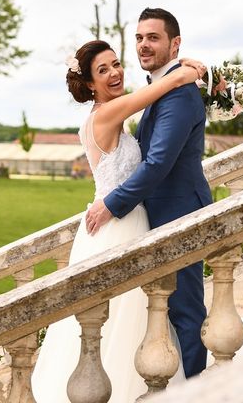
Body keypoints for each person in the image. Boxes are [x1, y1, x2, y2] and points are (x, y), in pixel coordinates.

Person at [31, 39, 205, 402]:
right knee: (121, 321)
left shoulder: (111, 117)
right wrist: (186, 69)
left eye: (115, 64)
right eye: (103, 70)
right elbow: (164, 86)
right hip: (116, 227)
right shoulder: (106, 114)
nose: (114, 73)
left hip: (123, 221)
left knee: (135, 319)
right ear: (90, 84)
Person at [85, 7, 213, 379]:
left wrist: (112, 204)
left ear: (174, 44)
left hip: (179, 212)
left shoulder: (177, 93)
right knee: (153, 313)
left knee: (185, 311)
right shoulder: (161, 87)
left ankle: (197, 389)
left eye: (152, 38)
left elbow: (157, 163)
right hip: (150, 219)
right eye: (139, 37)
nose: (143, 45)